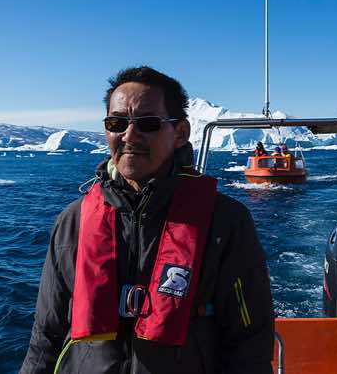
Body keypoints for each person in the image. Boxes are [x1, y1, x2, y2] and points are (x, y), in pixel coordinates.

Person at [21, 66, 274, 374]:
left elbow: (250, 342)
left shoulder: (224, 222)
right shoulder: (72, 221)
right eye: (116, 123)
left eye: (148, 123)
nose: (129, 135)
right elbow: (46, 334)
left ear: (180, 133)